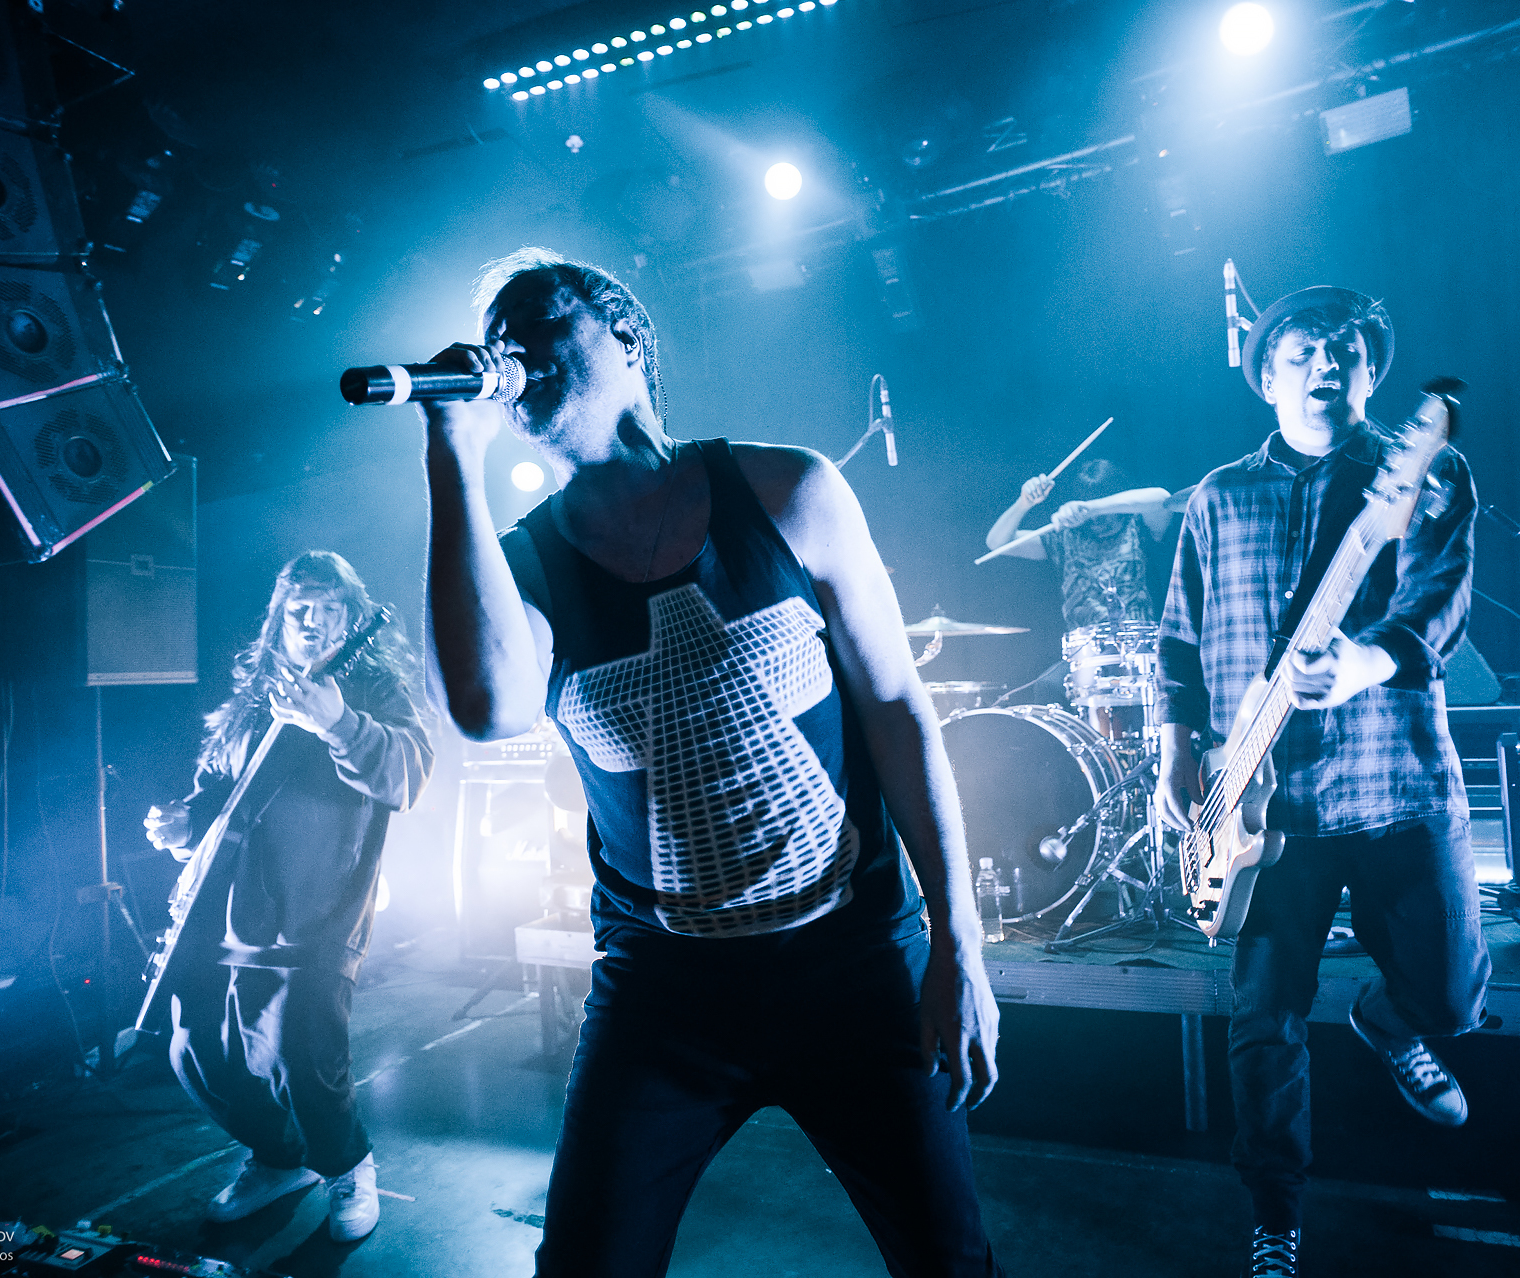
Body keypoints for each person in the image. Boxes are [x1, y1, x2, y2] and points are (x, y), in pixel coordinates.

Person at [423, 247, 1003, 1277]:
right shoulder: (522, 566)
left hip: (856, 958)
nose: (510, 351)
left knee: (948, 1264)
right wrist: (448, 454)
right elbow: (486, 709)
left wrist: (960, 945)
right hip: (664, 988)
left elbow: (899, 711)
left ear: (627, 336)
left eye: (539, 323)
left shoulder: (786, 488)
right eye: (495, 339)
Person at [1154, 287, 1489, 1278]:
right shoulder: (1217, 496)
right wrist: (1175, 746)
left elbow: (1439, 602)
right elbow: (1178, 636)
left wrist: (1364, 663)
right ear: (1266, 377)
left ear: (1371, 374)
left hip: (1394, 780)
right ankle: (1275, 1214)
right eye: (1301, 352)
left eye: (1344, 352)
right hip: (1260, 805)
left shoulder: (1424, 470)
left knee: (1452, 995)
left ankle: (1388, 1020)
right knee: (1265, 1024)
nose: (1324, 366)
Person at [143, 551, 433, 1242]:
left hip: (320, 912)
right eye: (300, 610)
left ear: (352, 617)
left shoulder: (375, 689)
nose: (312, 623)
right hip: (226, 909)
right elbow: (222, 791)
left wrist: (339, 723)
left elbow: (406, 776)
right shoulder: (257, 696)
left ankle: (348, 1165)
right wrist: (185, 823)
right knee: (196, 1054)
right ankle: (278, 1160)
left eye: (329, 610)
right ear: (279, 618)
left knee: (303, 1056)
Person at [983, 459, 1171, 706]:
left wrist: (1091, 508)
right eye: (1090, 517)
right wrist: (1023, 503)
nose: (1098, 522)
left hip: (1143, 650)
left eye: (1104, 513)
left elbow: (1162, 497)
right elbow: (997, 543)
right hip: (1086, 654)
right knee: (1048, 686)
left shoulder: (1139, 526)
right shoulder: (1065, 538)